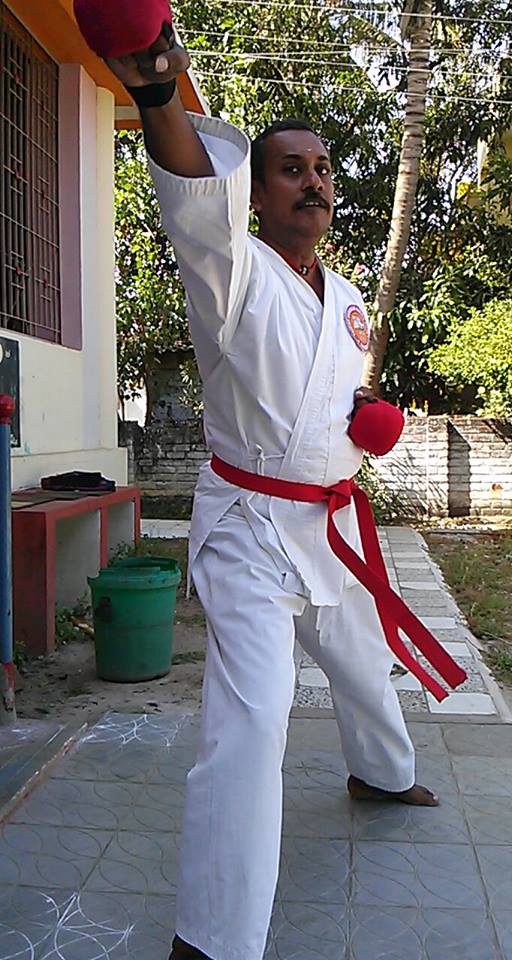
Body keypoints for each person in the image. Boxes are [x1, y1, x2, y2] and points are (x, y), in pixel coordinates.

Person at [102, 24, 449, 960]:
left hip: (331, 519)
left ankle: (380, 773)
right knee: (253, 721)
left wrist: (366, 414)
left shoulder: (348, 298)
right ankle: (214, 936)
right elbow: (192, 205)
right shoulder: (231, 269)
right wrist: (157, 93)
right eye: (290, 170)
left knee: (362, 662)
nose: (314, 182)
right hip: (252, 528)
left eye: (323, 168)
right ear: (253, 195)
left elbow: (328, 390)